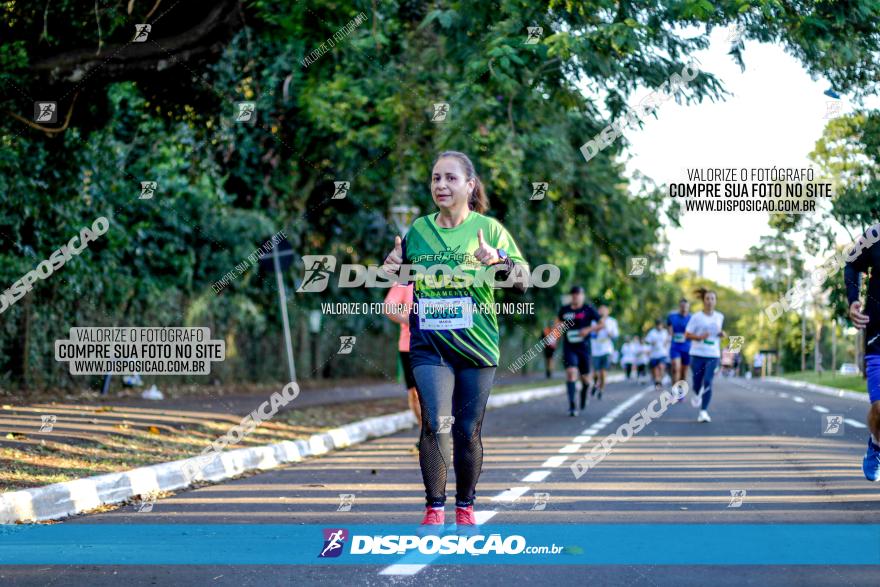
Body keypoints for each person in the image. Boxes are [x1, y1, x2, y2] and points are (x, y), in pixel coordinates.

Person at [382, 150, 530, 527]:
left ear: (470, 185)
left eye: (450, 178)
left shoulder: (491, 230)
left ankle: (465, 505)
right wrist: (391, 269)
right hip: (429, 345)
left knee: (467, 431)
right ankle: (434, 507)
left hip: (476, 346)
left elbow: (523, 283)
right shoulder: (418, 230)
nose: (441, 185)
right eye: (435, 178)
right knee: (433, 421)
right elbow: (398, 282)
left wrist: (497, 261)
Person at [844, 223, 880, 482]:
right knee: (879, 409)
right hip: (878, 331)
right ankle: (876, 445)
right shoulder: (875, 234)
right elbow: (851, 264)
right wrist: (853, 300)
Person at [556, 286, 604, 416]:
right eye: (574, 294)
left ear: (582, 296)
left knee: (586, 380)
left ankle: (584, 394)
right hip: (569, 347)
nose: (576, 296)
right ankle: (572, 405)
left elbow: (601, 324)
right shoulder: (564, 310)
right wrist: (558, 328)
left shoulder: (588, 309)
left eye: (578, 294)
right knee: (571, 372)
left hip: (584, 348)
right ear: (571, 296)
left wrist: (588, 330)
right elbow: (558, 323)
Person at [384, 282, 420, 450]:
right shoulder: (404, 282)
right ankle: (424, 432)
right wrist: (408, 319)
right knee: (414, 393)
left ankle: (433, 434)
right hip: (409, 345)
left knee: (429, 392)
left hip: (437, 345)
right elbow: (389, 307)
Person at [686, 288, 726, 423]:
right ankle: (697, 393)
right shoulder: (696, 317)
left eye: (712, 299)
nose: (710, 301)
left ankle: (703, 412)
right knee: (697, 383)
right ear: (703, 301)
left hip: (713, 354)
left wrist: (722, 334)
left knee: (708, 381)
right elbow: (687, 334)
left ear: (716, 301)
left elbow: (718, 333)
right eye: (707, 298)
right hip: (697, 354)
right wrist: (698, 337)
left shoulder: (720, 316)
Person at [590, 303, 619, 399]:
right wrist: (598, 327)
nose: (602, 312)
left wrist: (606, 327)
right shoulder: (593, 322)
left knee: (603, 372)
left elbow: (615, 337)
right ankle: (595, 385)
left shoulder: (612, 322)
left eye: (604, 310)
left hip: (607, 350)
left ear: (607, 312)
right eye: (600, 310)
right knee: (595, 374)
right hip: (595, 351)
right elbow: (591, 336)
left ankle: (601, 390)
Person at [667, 298, 692, 385]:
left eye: (685, 306)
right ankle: (674, 392)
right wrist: (672, 333)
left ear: (688, 307)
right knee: (675, 368)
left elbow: (695, 332)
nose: (684, 308)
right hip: (675, 347)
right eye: (682, 306)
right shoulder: (672, 316)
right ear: (679, 306)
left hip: (687, 347)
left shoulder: (692, 318)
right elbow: (669, 327)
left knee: (684, 372)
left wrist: (686, 335)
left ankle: (681, 391)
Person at [645, 319, 670, 390]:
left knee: (661, 367)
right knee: (655, 370)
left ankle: (660, 380)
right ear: (656, 325)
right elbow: (647, 341)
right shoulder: (652, 333)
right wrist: (652, 343)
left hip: (663, 353)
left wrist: (666, 342)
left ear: (662, 325)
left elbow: (668, 339)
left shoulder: (665, 332)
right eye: (658, 325)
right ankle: (657, 382)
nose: (659, 326)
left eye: (660, 325)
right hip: (654, 355)